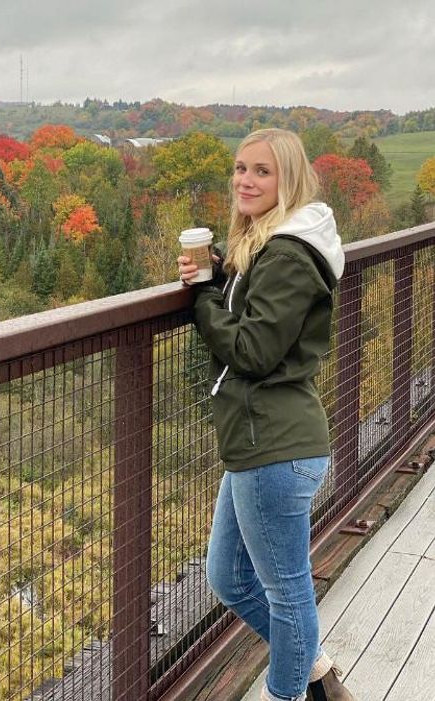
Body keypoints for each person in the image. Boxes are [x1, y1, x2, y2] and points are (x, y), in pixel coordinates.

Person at [177, 128, 355, 701]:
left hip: (275, 447)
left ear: (289, 180)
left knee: (285, 591)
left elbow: (254, 349)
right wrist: (218, 279)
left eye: (262, 171)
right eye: (239, 168)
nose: (244, 181)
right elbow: (259, 314)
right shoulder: (270, 246)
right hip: (262, 444)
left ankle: (289, 693)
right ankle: (317, 674)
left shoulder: (287, 253)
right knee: (228, 578)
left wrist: (202, 298)